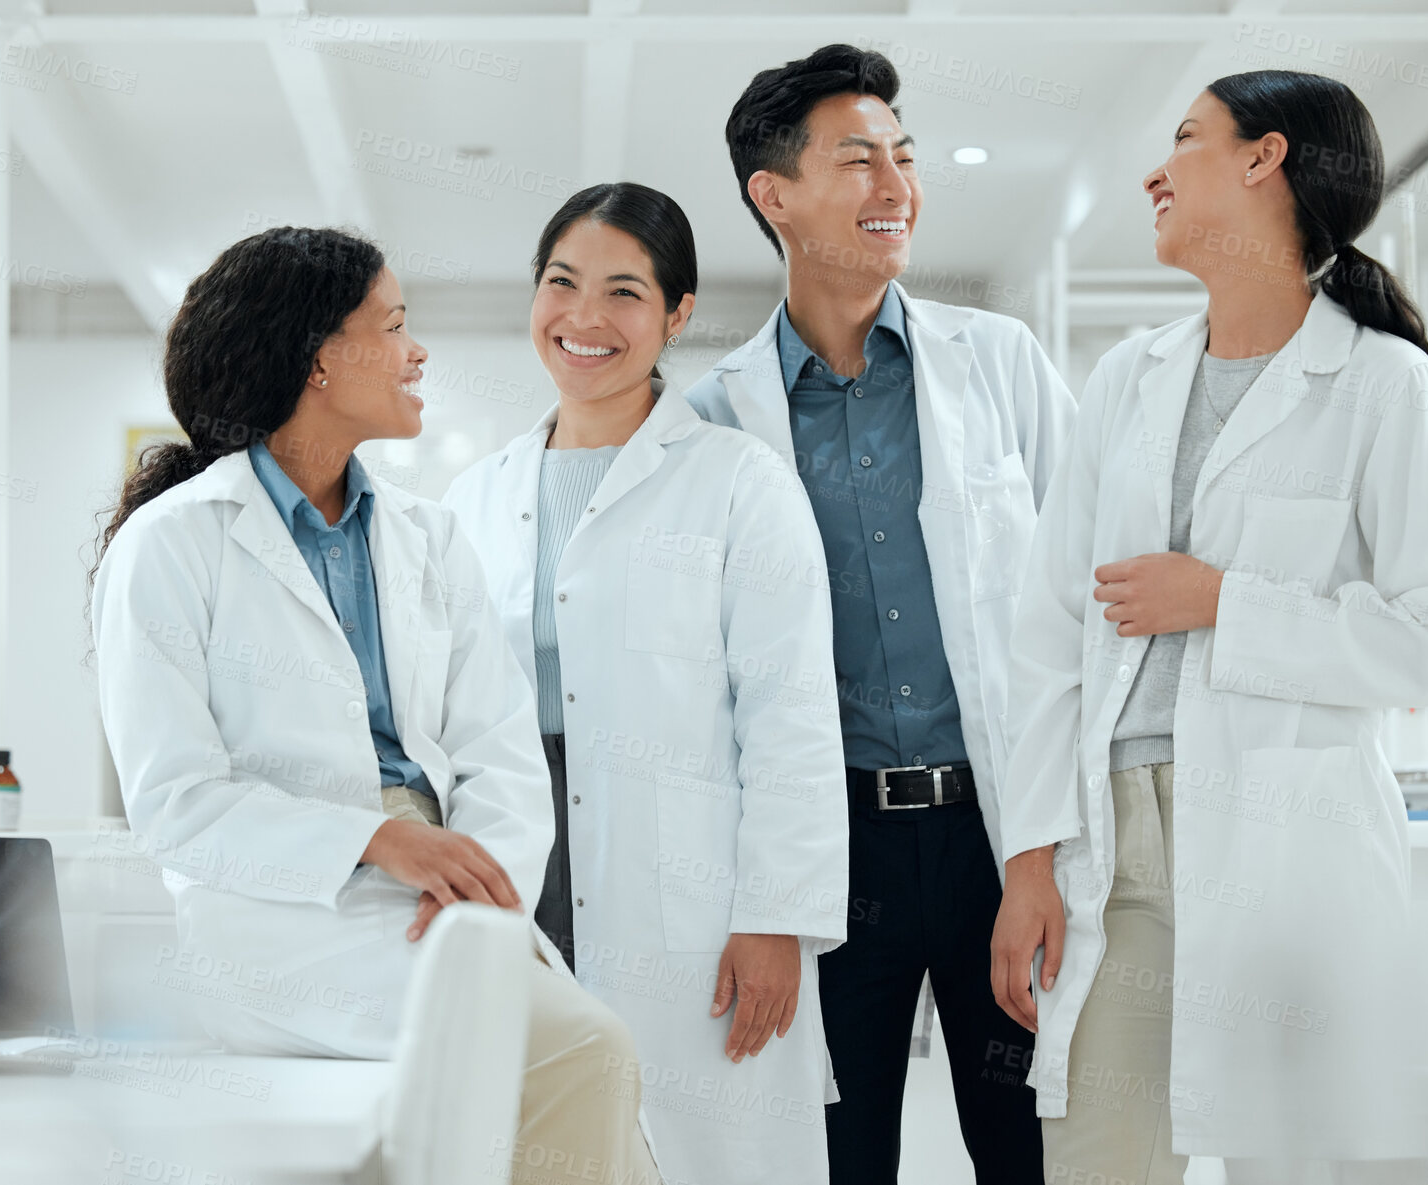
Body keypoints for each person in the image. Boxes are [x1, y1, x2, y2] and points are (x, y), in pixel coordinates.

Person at [990, 70, 1428, 1185]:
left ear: (1266, 159)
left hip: (1288, 856)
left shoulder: (1383, 386)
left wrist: (1223, 603)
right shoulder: (1128, 378)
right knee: (1097, 1164)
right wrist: (1028, 862)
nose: (1155, 172)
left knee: (1304, 1161)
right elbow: (1049, 634)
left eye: (1185, 140)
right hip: (1111, 854)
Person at [89, 227, 658, 1185]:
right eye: (393, 326)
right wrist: (380, 840)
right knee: (581, 1052)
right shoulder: (172, 545)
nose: (417, 350)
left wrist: (477, 892)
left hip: (446, 892)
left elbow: (500, 753)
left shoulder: (427, 538)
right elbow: (178, 803)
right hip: (286, 915)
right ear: (318, 359)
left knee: (562, 1068)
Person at [685, 43, 1075, 1185]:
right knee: (834, 1157)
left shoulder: (999, 364)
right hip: (829, 849)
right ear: (774, 195)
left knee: (1025, 1148)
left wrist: (1039, 859)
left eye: (905, 157)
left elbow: (1074, 619)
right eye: (859, 160)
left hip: (995, 839)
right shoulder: (715, 419)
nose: (897, 185)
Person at [443, 182, 849, 1185]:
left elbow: (790, 712)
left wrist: (775, 919)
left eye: (624, 292)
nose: (584, 318)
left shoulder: (738, 481)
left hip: (691, 894)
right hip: (517, 872)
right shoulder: (471, 498)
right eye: (561, 283)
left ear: (676, 316)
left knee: (699, 1150)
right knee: (529, 1142)